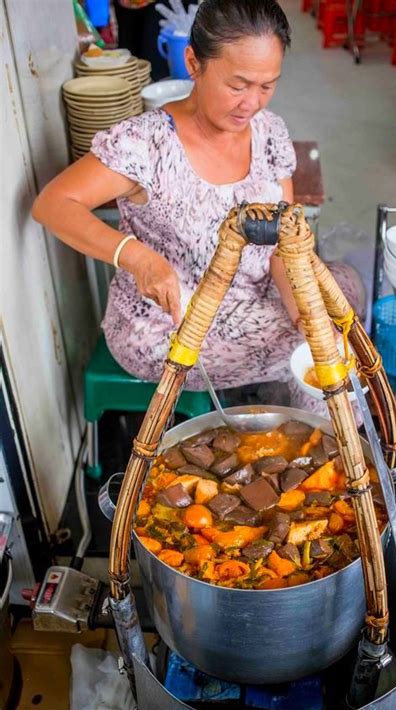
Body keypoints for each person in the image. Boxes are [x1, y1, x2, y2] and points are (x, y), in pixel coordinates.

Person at [33, 0, 365, 412]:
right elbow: (53, 204)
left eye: (267, 85)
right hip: (173, 322)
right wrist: (136, 257)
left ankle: (305, 420)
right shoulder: (145, 144)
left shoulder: (270, 133)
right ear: (193, 62)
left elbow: (283, 247)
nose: (252, 103)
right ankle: (314, 434)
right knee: (324, 344)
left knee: (340, 297)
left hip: (255, 297)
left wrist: (303, 312)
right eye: (238, 84)